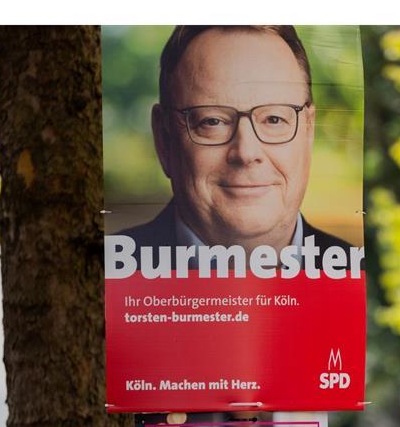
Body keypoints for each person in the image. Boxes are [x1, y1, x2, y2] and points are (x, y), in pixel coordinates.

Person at [121, 25, 354, 264]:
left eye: (274, 119)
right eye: (212, 121)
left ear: (308, 131)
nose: (246, 152)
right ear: (164, 139)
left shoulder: (366, 280)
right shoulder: (103, 276)